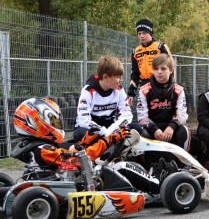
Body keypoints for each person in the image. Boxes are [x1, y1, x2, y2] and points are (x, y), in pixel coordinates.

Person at [13, 97, 177, 194]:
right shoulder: (42, 150)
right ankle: (159, 185)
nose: (57, 124)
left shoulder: (37, 147)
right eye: (53, 121)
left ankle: (149, 178)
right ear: (35, 123)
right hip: (72, 185)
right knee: (120, 166)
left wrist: (86, 140)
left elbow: (67, 151)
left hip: (65, 179)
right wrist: (108, 141)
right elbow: (77, 161)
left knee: (110, 163)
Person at [74, 55, 141, 143]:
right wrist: (104, 132)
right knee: (80, 134)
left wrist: (111, 130)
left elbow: (127, 115)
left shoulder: (119, 90)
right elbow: (83, 119)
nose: (121, 80)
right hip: (92, 128)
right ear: (105, 77)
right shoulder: (88, 91)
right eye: (118, 77)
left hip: (110, 127)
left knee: (139, 129)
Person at [137, 53, 191, 152]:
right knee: (139, 131)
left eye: (163, 69)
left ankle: (181, 163)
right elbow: (142, 117)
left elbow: (182, 114)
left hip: (171, 128)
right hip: (152, 128)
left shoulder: (179, 91)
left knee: (184, 130)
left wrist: (172, 127)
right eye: (156, 69)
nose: (159, 72)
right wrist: (154, 129)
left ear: (171, 70)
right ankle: (146, 165)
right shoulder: (144, 91)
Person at [127, 19, 173, 106]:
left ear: (150, 33)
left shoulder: (160, 46)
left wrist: (170, 85)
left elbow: (171, 66)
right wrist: (131, 93)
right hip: (144, 85)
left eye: (144, 33)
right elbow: (134, 73)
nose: (142, 36)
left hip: (160, 83)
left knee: (162, 110)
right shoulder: (135, 51)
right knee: (144, 112)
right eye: (139, 33)